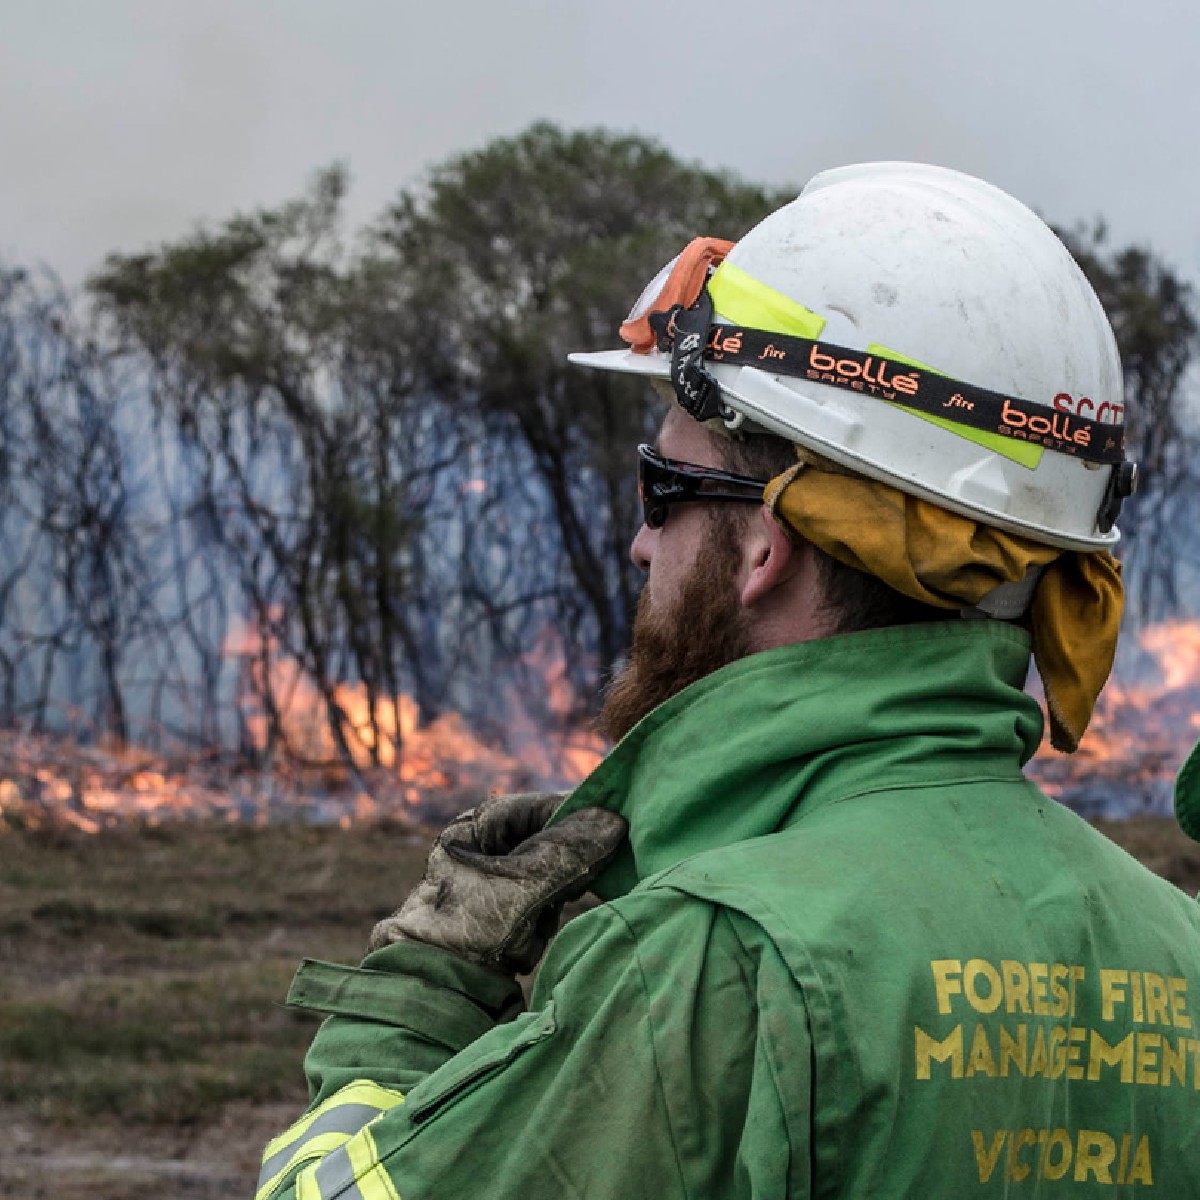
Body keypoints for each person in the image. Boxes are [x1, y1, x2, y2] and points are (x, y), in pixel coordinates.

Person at [256, 163, 1200, 1199]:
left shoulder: (707, 963)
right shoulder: (1177, 951)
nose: (636, 542)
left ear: (766, 544)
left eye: (662, 488)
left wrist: (420, 992)